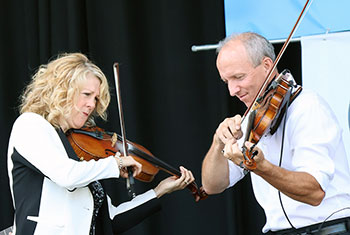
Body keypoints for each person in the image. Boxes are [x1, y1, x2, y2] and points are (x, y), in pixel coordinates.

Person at [7, 52, 195, 235]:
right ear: (62, 90)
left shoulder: (77, 151)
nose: (92, 104)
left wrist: (160, 190)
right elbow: (66, 175)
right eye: (86, 94)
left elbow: (111, 219)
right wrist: (116, 163)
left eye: (96, 98)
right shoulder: (31, 125)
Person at [201, 32, 350, 234]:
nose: (232, 90)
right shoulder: (251, 118)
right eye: (226, 81)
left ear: (267, 65)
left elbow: (314, 192)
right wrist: (218, 141)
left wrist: (261, 167)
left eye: (238, 77)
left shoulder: (307, 107)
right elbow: (212, 185)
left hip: (326, 229)